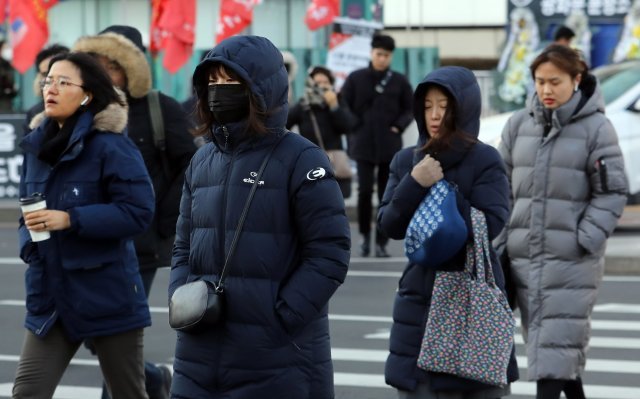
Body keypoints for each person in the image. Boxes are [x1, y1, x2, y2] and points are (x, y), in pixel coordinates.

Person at [169, 35, 351, 398]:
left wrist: (281, 316)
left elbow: (330, 252)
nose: (219, 91)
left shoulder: (302, 158)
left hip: (277, 356)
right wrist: (180, 296)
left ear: (261, 88)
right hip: (198, 351)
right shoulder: (202, 160)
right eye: (213, 83)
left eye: (231, 82)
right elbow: (182, 247)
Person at [13, 51, 154, 398]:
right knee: (27, 393)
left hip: (106, 294)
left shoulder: (111, 147)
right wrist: (28, 245)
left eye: (64, 82)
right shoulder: (36, 148)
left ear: (87, 95)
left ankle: (158, 383)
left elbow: (138, 210)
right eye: (48, 81)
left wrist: (72, 219)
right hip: (50, 297)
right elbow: (25, 213)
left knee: (127, 393)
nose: (52, 88)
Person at [378, 66, 519, 398]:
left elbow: (493, 221)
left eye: (444, 105)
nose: (435, 115)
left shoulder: (485, 159)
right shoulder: (406, 161)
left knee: (475, 387)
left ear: (463, 109)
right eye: (427, 106)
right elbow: (389, 224)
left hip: (471, 292)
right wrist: (415, 183)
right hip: (419, 298)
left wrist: (442, 190)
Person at [73, 25, 196, 398]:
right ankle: (154, 379)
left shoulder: (160, 108)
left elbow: (192, 167)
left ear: (132, 67)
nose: (105, 73)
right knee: (91, 332)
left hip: (138, 245)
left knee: (116, 334)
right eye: (97, 63)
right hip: (86, 240)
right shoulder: (83, 110)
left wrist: (162, 220)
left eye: (114, 65)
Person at [499, 44, 628, 399]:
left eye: (555, 81)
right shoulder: (517, 126)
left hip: (572, 261)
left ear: (577, 79)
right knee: (555, 354)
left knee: (553, 356)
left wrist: (584, 238)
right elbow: (500, 189)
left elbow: (613, 192)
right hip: (524, 261)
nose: (546, 90)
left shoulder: (598, 129)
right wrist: (500, 242)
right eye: (540, 82)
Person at [341, 33, 413, 257]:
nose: (382, 58)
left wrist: (398, 126)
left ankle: (381, 242)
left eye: (387, 55)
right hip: (362, 145)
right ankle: (364, 238)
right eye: (379, 54)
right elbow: (343, 104)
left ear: (391, 56)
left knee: (386, 194)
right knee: (363, 192)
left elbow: (410, 108)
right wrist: (355, 126)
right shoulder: (355, 78)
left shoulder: (399, 81)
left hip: (389, 146)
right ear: (372, 52)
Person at [287, 65, 356, 198]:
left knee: (337, 198)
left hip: (335, 161)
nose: (322, 86)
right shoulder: (304, 105)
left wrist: (334, 106)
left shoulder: (338, 101)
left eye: (326, 82)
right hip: (310, 160)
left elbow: (348, 127)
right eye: (318, 83)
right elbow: (284, 125)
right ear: (311, 83)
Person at [22, 44, 70, 137]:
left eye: (57, 72)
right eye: (45, 74)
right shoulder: (34, 113)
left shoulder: (89, 110)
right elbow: (28, 150)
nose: (50, 78)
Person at [0, 40, 18, 113]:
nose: (8, 50)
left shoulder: (8, 65)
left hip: (7, 102)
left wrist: (12, 90)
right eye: (5, 48)